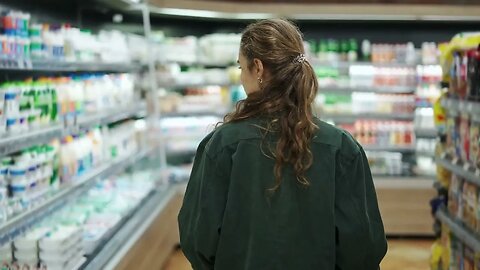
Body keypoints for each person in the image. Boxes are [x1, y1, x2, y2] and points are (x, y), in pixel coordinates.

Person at [178, 19, 387, 270]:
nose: (242, 77)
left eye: (241, 67)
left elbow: (198, 239)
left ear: (257, 68)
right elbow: (362, 247)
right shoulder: (342, 148)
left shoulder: (221, 146)